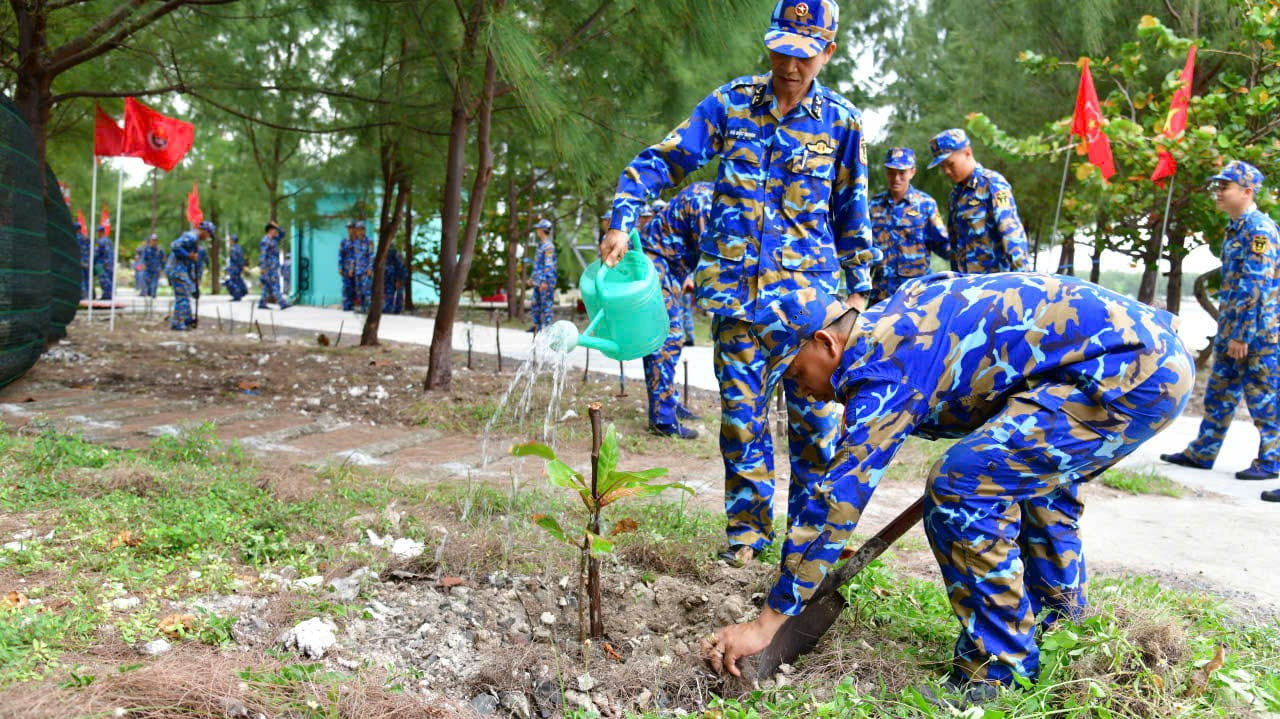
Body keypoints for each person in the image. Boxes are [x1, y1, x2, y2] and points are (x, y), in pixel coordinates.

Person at [706, 274, 1194, 700]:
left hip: (1129, 372)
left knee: (962, 483)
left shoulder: (882, 365)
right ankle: (1061, 627)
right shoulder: (896, 311)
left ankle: (997, 671)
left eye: (795, 372)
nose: (802, 389)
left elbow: (837, 499)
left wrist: (765, 623)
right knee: (1025, 478)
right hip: (1136, 359)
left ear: (827, 343)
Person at [598, 0, 879, 566]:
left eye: (803, 55)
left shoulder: (841, 123)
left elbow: (853, 212)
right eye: (780, 50)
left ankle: (805, 550)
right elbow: (664, 161)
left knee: (816, 436)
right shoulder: (730, 103)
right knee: (742, 429)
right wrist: (622, 218)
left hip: (809, 314)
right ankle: (746, 543)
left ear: (828, 51)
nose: (789, 65)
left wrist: (857, 296)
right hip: (737, 302)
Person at [1161, 161, 1280, 481]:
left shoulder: (1259, 231)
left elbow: (1254, 286)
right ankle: (1203, 451)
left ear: (1246, 191)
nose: (1218, 194)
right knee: (1219, 393)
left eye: (1224, 187)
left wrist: (1241, 335)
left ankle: (1272, 460)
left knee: (1263, 397)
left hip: (1257, 335)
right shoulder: (1237, 228)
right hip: (1233, 331)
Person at [641, 182, 713, 439]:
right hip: (656, 264)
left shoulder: (710, 196)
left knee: (667, 339)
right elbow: (711, 255)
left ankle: (667, 402)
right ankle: (662, 419)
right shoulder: (706, 200)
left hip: (668, 266)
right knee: (666, 338)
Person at [929, 128, 1029, 274]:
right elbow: (955, 246)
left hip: (993, 285)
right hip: (964, 284)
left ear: (967, 153)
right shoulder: (955, 196)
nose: (947, 171)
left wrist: (1022, 281)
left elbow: (1012, 235)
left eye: (950, 164)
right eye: (942, 167)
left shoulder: (993, 185)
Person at [868, 147, 948, 304]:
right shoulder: (873, 206)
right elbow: (865, 249)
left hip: (915, 295)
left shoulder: (926, 205)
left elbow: (943, 244)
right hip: (881, 295)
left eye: (902, 172)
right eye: (891, 172)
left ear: (912, 172)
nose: (896, 178)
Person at [166, 221, 214, 331]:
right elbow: (174, 246)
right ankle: (178, 323)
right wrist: (188, 255)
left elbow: (192, 263)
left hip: (183, 271)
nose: (207, 237)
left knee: (186, 295)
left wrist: (195, 277)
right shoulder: (191, 237)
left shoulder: (196, 242)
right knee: (182, 296)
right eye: (208, 234)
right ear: (204, 231)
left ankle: (186, 320)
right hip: (177, 269)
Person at [527, 218, 557, 332]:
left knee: (546, 306)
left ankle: (547, 328)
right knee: (535, 304)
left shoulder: (548, 247)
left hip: (545, 282)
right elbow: (538, 264)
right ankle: (537, 326)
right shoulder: (540, 245)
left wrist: (545, 281)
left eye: (539, 228)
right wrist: (532, 278)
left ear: (542, 230)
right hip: (538, 280)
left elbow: (549, 265)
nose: (537, 230)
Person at [259, 220, 289, 310]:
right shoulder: (265, 241)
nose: (276, 232)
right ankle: (282, 303)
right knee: (275, 284)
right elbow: (263, 255)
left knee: (268, 286)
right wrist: (263, 267)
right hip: (268, 267)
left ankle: (262, 303)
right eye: (274, 230)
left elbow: (283, 233)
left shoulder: (275, 239)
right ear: (269, 231)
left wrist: (277, 226)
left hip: (274, 266)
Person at [353, 220, 375, 312]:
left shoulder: (369, 241)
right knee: (359, 290)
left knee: (367, 290)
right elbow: (354, 256)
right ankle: (363, 308)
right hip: (358, 270)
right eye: (358, 229)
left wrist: (370, 268)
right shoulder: (356, 242)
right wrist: (352, 268)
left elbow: (371, 255)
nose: (359, 231)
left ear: (364, 230)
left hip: (365, 270)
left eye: (361, 229)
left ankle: (369, 309)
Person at [223, 233, 248, 301]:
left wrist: (229, 268)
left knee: (233, 282)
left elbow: (235, 259)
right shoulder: (239, 248)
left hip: (234, 268)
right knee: (238, 280)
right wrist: (242, 267)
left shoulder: (233, 249)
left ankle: (237, 295)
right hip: (238, 268)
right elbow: (241, 259)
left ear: (232, 240)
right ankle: (242, 291)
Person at [339, 221, 357, 311]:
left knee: (357, 287)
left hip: (358, 268)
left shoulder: (359, 241)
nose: (350, 230)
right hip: (346, 268)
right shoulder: (344, 241)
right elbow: (340, 255)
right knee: (347, 287)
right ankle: (347, 305)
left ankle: (356, 305)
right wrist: (340, 267)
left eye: (351, 228)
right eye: (348, 228)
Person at [140, 234, 164, 299]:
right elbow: (143, 259)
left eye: (155, 240)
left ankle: (153, 295)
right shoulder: (146, 249)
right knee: (147, 282)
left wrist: (162, 269)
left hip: (156, 269)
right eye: (153, 240)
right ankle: (148, 293)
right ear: (150, 241)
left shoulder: (159, 250)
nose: (154, 242)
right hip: (148, 269)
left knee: (154, 283)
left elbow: (162, 260)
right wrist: (143, 265)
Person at [383, 246, 405, 314]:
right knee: (389, 291)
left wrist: (399, 279)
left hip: (398, 275)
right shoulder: (384, 252)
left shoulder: (394, 253)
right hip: (389, 276)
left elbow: (400, 267)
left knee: (399, 292)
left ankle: (398, 309)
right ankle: (388, 308)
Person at [94, 225, 114, 300]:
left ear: (100, 232)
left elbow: (96, 253)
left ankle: (106, 295)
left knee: (103, 280)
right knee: (108, 279)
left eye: (98, 232)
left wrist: (92, 262)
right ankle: (108, 294)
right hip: (109, 263)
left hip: (101, 263)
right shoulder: (109, 241)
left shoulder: (99, 241)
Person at [76, 221, 91, 300]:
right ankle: (89, 294)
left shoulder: (75, 237)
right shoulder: (86, 238)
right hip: (87, 261)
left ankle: (83, 295)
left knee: (81, 278)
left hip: (79, 261)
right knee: (87, 278)